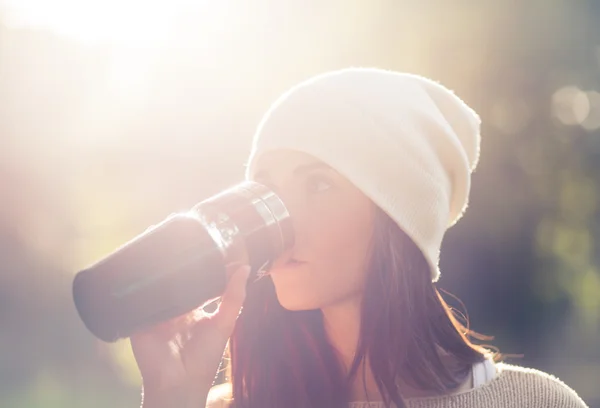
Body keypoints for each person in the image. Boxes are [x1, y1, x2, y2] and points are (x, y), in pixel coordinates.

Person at [131, 68, 589, 408]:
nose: (281, 219)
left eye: (318, 184)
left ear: (398, 220)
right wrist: (171, 397)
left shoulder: (535, 401)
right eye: (268, 188)